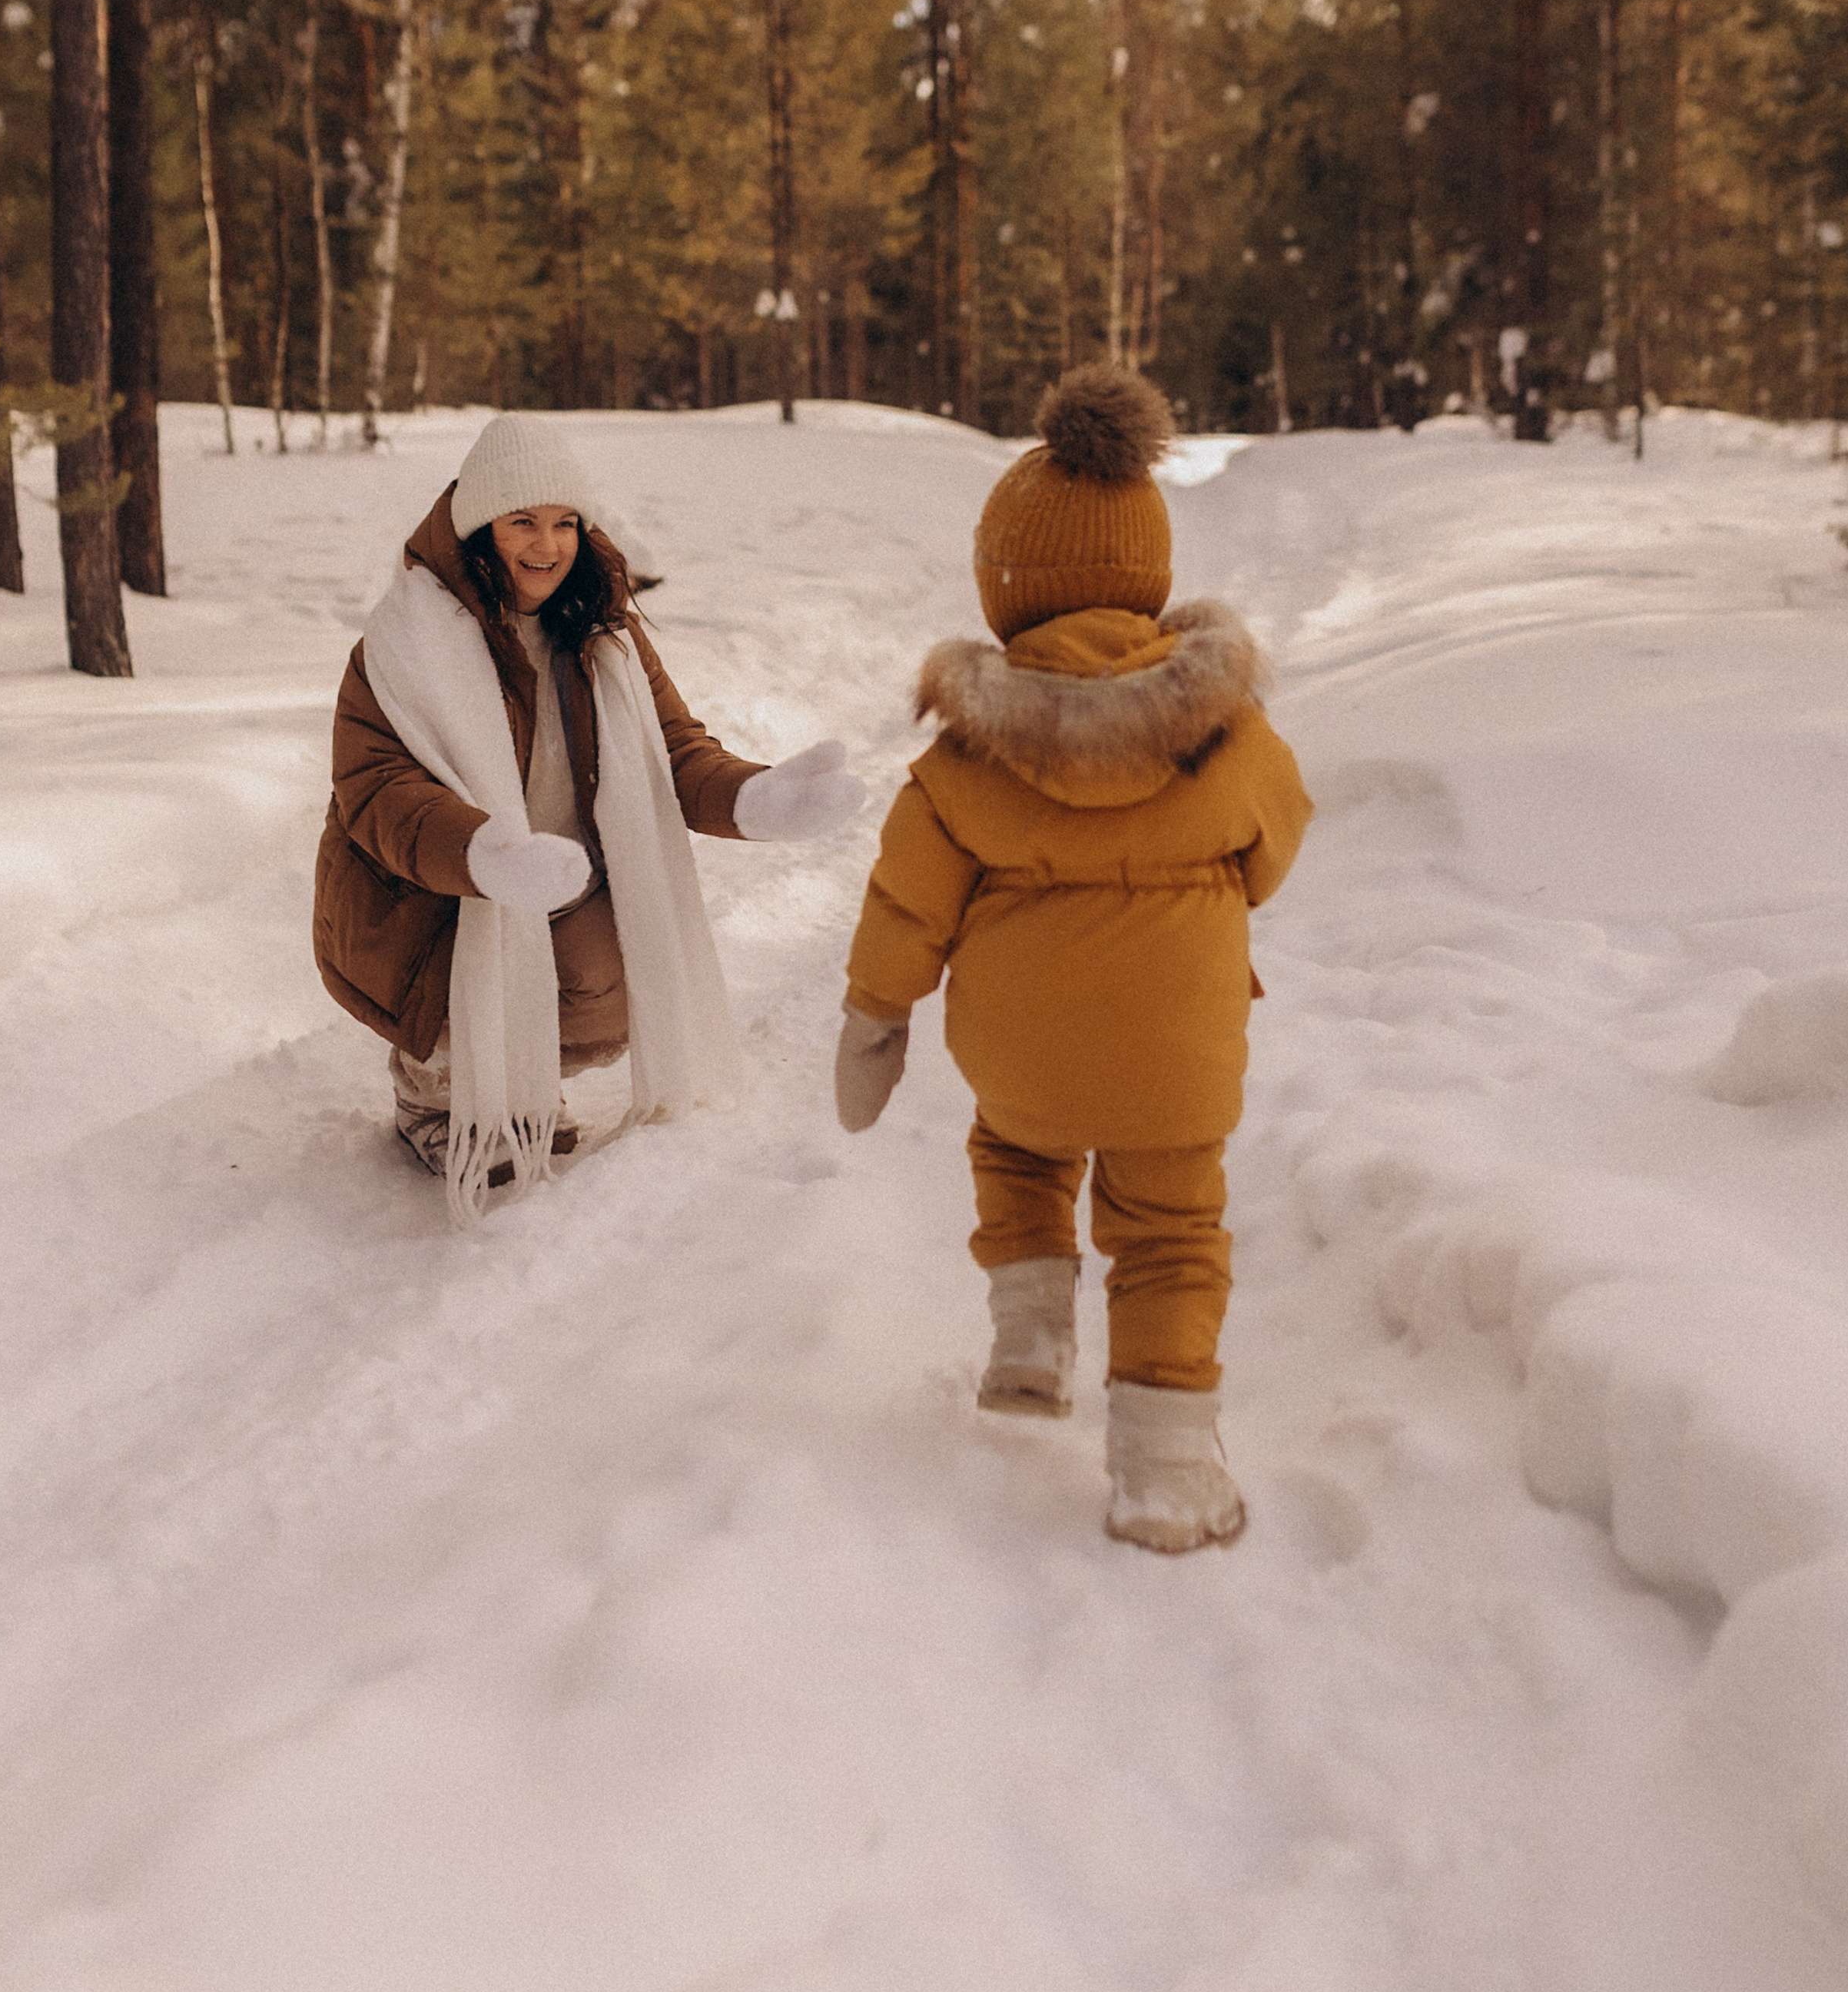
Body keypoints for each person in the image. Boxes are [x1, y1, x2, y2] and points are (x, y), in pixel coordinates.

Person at [834, 363, 1312, 1552]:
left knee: (1017, 1146)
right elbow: (1276, 842)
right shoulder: (1231, 729)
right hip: (1178, 1048)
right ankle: (1166, 1471)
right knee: (1169, 1235)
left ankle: (1032, 1338)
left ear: (1004, 586)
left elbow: (907, 899)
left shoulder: (964, 753)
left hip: (1023, 1048)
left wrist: (876, 1016)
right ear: (1149, 573)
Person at [315, 412, 863, 1223]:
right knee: (482, 954)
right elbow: (376, 789)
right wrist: (484, 854)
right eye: (522, 522)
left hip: (556, 885)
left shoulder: (604, 633)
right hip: (422, 904)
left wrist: (759, 800)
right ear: (479, 528)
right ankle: (435, 1091)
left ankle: (515, 1072)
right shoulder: (406, 640)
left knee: (624, 972)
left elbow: (676, 752)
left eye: (565, 522)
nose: (548, 545)